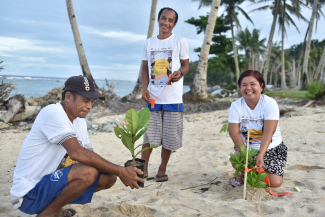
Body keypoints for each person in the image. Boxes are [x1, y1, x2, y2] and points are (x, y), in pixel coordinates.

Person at [10, 75, 144, 217]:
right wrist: (121, 170)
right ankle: (48, 213)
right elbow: (77, 153)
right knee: (88, 172)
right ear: (68, 97)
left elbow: (88, 156)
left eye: (92, 102)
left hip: (49, 185)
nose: (90, 106)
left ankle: (56, 207)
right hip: (29, 194)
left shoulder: (79, 120)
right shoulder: (53, 113)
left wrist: (118, 172)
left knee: (109, 177)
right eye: (85, 101)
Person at [141, 7, 189, 182]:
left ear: (174, 24)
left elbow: (185, 65)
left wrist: (180, 73)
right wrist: (145, 89)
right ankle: (143, 168)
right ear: (158, 20)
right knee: (149, 136)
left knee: (169, 137)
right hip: (153, 97)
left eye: (170, 20)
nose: (166, 23)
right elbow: (145, 69)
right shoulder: (148, 43)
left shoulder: (180, 41)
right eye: (163, 18)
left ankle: (162, 169)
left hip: (173, 99)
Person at [228, 70, 287, 188]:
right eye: (244, 85)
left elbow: (269, 132)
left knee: (275, 183)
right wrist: (246, 153)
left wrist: (261, 154)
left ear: (261, 86)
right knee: (236, 159)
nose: (248, 88)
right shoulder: (236, 105)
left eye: (252, 84)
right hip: (247, 148)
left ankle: (249, 173)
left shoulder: (269, 103)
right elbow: (234, 133)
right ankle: (242, 172)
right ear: (240, 88)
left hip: (271, 147)